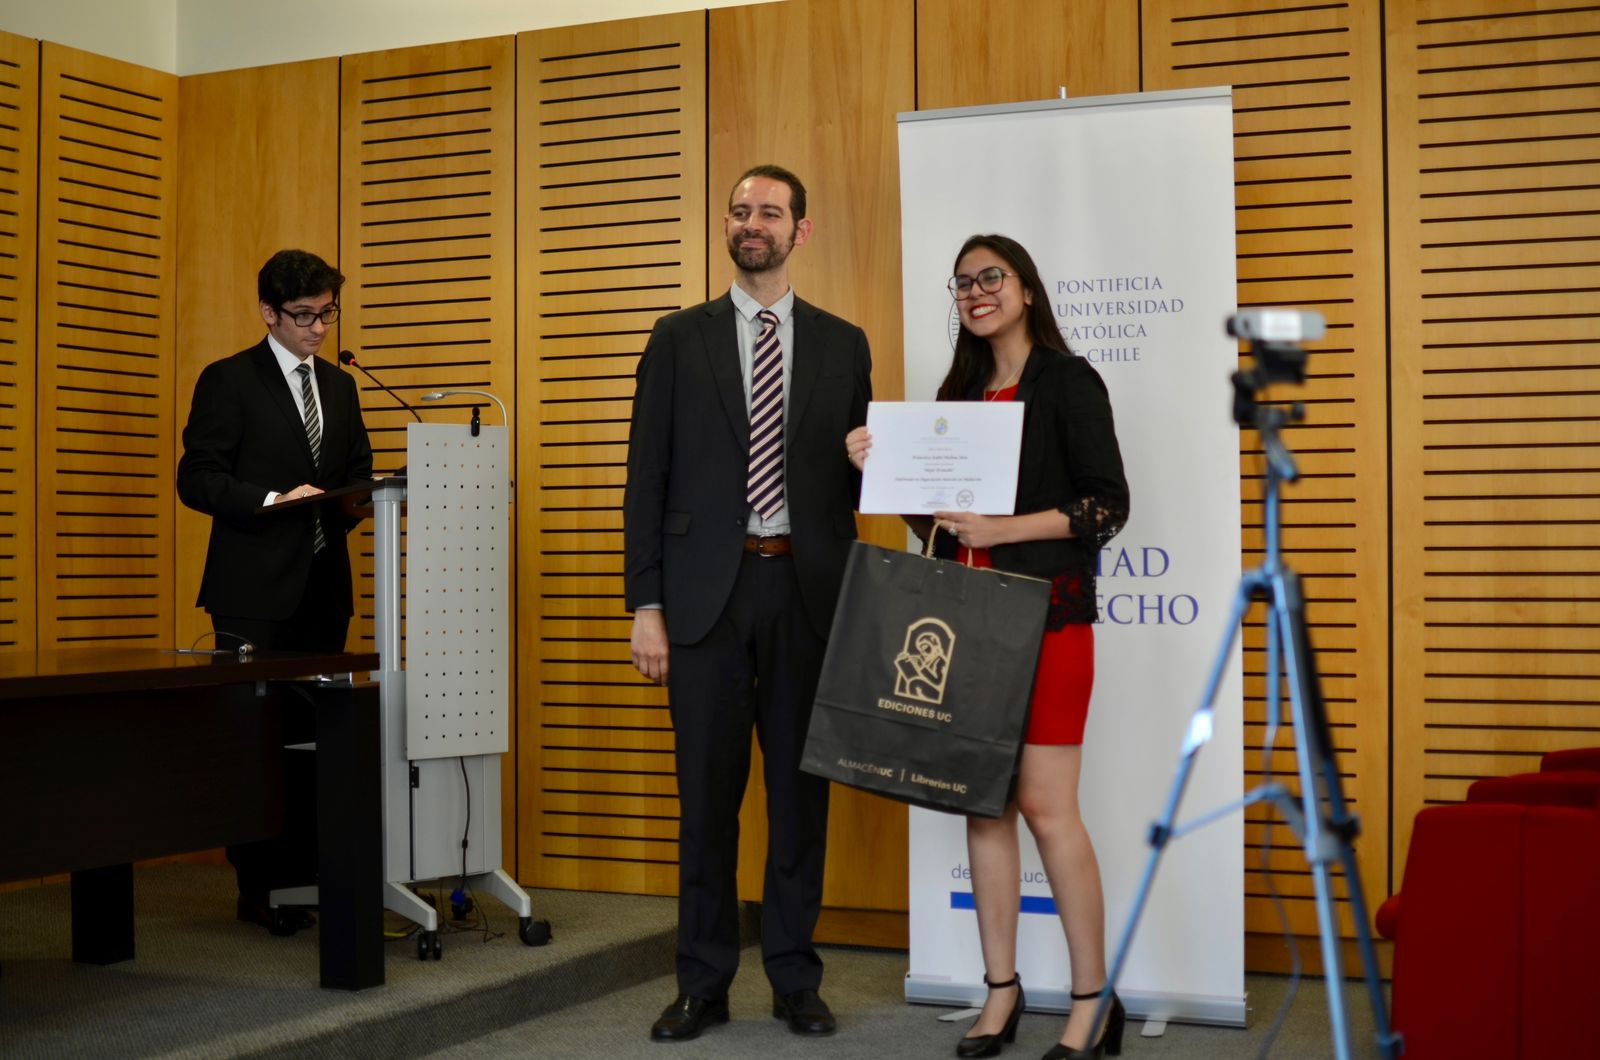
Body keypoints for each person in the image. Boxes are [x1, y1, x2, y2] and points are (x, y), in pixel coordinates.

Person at [846, 234, 1129, 1059]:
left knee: (1047, 809)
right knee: (983, 803)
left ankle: (1091, 1001)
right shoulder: (958, 395)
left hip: (1048, 622)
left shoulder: (1069, 383)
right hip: (966, 624)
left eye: (991, 277)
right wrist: (877, 467)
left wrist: (1003, 529)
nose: (976, 292)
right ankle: (1000, 991)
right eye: (964, 282)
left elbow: (1106, 507)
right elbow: (934, 521)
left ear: (1027, 289)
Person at [623, 165, 872, 1042]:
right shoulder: (678, 338)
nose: (752, 223)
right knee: (707, 800)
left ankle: (796, 977)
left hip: (807, 593)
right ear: (726, 227)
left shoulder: (845, 344)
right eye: (740, 211)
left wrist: (879, 457)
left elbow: (853, 480)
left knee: (802, 800)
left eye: (770, 211)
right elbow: (645, 477)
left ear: (801, 230)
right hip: (702, 603)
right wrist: (644, 603)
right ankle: (703, 979)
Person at [177, 248, 373, 932]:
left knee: (316, 742)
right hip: (253, 593)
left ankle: (308, 876)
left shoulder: (342, 388)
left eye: (327, 313)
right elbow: (196, 477)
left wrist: (367, 500)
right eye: (304, 316)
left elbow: (352, 476)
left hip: (323, 588)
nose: (319, 329)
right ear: (268, 312)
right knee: (256, 745)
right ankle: (260, 886)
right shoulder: (230, 380)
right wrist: (270, 499)